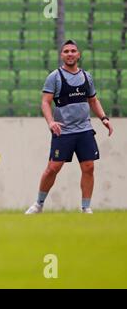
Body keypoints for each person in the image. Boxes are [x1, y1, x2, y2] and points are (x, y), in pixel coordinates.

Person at [25, 40, 113, 215]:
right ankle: (39, 204)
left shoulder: (87, 77)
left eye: (73, 51)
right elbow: (45, 102)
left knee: (89, 167)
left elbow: (93, 100)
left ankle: (86, 207)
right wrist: (51, 122)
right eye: (66, 51)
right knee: (53, 168)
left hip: (85, 130)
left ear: (78, 54)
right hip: (63, 131)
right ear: (62, 55)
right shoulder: (54, 77)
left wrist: (104, 118)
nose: (70, 54)